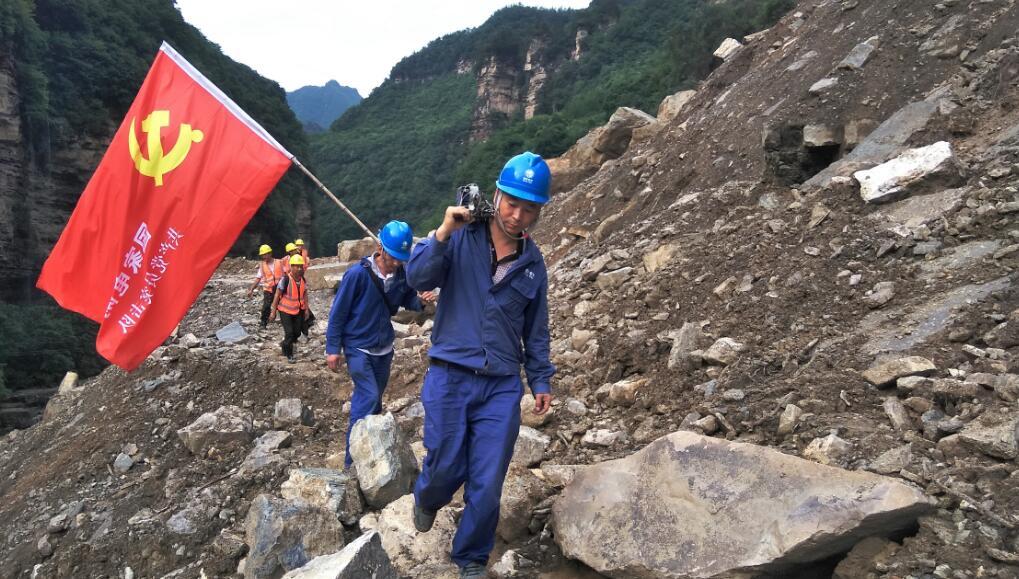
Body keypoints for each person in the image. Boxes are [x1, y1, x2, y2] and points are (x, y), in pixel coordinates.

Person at [406, 152, 554, 578]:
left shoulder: (533, 264)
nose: (517, 215)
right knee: (446, 464)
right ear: (497, 195)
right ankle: (427, 497)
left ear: (539, 212)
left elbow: (536, 329)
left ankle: (470, 558)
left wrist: (540, 379)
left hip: (501, 385)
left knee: (488, 482)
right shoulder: (460, 236)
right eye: (512, 203)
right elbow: (418, 279)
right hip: (450, 374)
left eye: (529, 209)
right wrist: (443, 232)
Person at [325, 221, 435, 467]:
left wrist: (421, 302)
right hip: (357, 346)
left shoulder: (401, 275)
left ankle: (369, 457)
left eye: (400, 258)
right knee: (368, 396)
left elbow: (407, 299)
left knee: (374, 403)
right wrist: (333, 349)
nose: (396, 262)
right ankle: (351, 463)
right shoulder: (357, 275)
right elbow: (338, 313)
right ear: (380, 248)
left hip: (383, 347)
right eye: (393, 257)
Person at [270, 254, 309, 363]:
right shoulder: (285, 279)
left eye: (301, 266)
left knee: (297, 333)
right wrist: (273, 311)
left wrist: (306, 309)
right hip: (285, 311)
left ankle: (285, 344)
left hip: (298, 310)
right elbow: (277, 294)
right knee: (289, 333)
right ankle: (289, 354)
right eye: (296, 266)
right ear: (291, 266)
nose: (299, 269)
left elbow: (305, 294)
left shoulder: (303, 280)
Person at [246, 244, 282, 329]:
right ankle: (263, 323)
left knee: (283, 306)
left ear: (270, 253)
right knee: (266, 307)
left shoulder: (279, 262)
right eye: (262, 255)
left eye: (265, 254)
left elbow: (287, 274)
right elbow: (258, 278)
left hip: (280, 289)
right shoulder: (262, 265)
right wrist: (251, 289)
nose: (264, 256)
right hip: (268, 289)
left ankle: (288, 321)